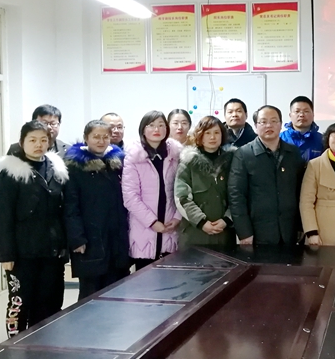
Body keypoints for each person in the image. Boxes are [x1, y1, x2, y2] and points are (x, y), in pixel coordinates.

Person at [0, 121, 68, 338]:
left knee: (50, 300)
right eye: (32, 140)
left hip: (52, 250)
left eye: (43, 140)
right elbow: (1, 217)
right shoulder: (11, 173)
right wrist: (6, 254)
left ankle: (44, 342)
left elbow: (63, 210)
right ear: (22, 142)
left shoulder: (56, 169)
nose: (38, 145)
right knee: (20, 301)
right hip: (22, 252)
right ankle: (16, 344)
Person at [63, 120, 130, 300]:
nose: (101, 141)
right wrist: (77, 238)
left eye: (105, 137)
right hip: (90, 238)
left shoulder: (117, 163)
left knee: (118, 290)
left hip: (116, 237)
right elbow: (70, 206)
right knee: (91, 293)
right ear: (86, 138)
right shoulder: (75, 166)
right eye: (96, 137)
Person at [228, 105, 306, 245]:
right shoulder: (244, 154)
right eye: (263, 122)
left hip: (289, 230)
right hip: (257, 232)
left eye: (274, 121)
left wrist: (301, 226)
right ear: (256, 126)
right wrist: (244, 232)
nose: (269, 125)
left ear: (281, 124)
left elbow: (301, 191)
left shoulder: (292, 153)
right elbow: (236, 195)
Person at [123, 111, 182, 269]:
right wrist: (152, 222)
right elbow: (130, 197)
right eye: (151, 125)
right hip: (144, 228)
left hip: (170, 227)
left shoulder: (175, 155)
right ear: (143, 129)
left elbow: (182, 190)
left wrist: (177, 218)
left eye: (161, 125)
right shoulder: (133, 157)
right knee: (145, 278)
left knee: (172, 279)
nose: (157, 129)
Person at [175, 116, 237, 248]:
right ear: (200, 135)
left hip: (225, 234)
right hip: (195, 234)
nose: (212, 137)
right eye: (207, 133)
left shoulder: (233, 160)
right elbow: (182, 197)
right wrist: (201, 222)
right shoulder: (188, 161)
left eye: (216, 132)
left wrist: (227, 220)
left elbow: (239, 195)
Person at [279, 96, 323, 162]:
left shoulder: (322, 140)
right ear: (290, 115)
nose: (301, 115)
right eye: (297, 111)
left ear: (313, 115)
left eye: (306, 111)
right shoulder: (279, 139)